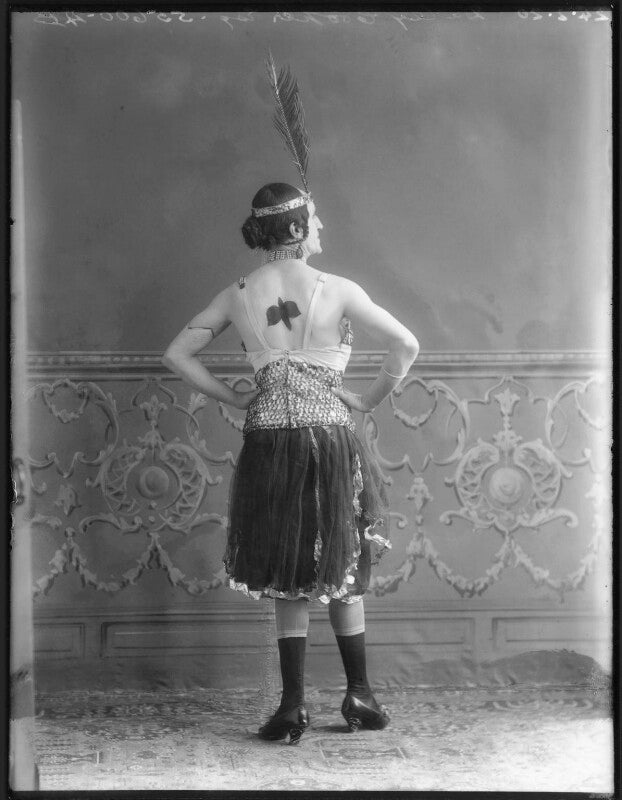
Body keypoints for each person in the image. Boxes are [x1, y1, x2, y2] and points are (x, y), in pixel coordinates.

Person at [163, 182, 419, 744]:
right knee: (342, 558)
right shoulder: (339, 289)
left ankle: (291, 706)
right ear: (297, 228)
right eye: (315, 219)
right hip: (329, 439)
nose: (321, 227)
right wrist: (368, 399)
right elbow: (406, 344)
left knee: (287, 567)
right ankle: (360, 695)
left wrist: (234, 398)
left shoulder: (237, 294)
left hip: (268, 444)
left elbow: (177, 353)